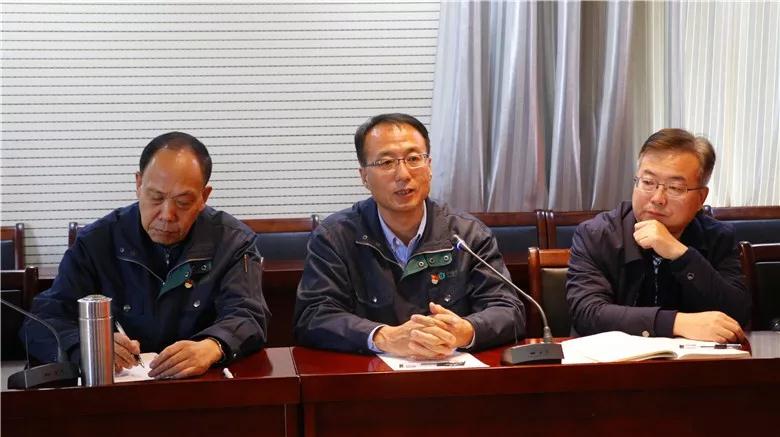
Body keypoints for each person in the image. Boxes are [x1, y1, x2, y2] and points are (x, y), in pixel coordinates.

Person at [23, 132, 269, 379]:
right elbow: (42, 321)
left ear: (203, 197)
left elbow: (248, 315)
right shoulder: (96, 242)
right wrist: (86, 346)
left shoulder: (233, 242)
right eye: (156, 197)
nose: (167, 215)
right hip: (116, 391)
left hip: (201, 387)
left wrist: (213, 346)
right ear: (138, 184)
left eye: (183, 202)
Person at [293, 113, 525, 358]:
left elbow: (508, 310)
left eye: (414, 159)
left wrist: (466, 331)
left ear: (429, 166)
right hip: (371, 375)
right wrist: (384, 337)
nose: (403, 174)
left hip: (451, 370)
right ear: (364, 177)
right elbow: (313, 316)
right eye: (386, 162)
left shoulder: (468, 234)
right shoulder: (335, 237)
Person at [566, 128, 750, 343]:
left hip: (694, 363)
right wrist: (676, 323)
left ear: (701, 198)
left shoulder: (718, 237)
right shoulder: (597, 234)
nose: (657, 198)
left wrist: (681, 255)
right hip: (612, 362)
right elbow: (587, 313)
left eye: (675, 187)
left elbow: (737, 315)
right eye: (647, 182)